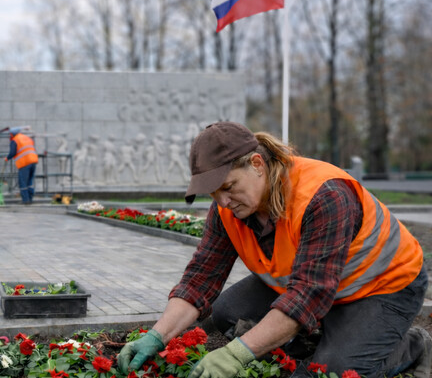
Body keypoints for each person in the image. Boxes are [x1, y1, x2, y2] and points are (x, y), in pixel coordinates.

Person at [118, 122, 431, 378]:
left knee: (330, 372)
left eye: (228, 187)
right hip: (320, 286)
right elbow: (201, 278)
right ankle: (328, 336)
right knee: (228, 313)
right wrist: (157, 336)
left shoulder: (324, 196)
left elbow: (307, 296)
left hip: (383, 286)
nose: (223, 201)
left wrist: (236, 354)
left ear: (257, 164)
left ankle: (412, 346)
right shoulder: (227, 208)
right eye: (213, 194)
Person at [5, 128, 38, 204]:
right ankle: (30, 199)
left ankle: (25, 200)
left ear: (12, 134)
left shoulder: (15, 140)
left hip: (24, 163)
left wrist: (7, 158)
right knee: (30, 182)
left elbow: (12, 152)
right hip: (33, 161)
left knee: (23, 182)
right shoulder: (27, 138)